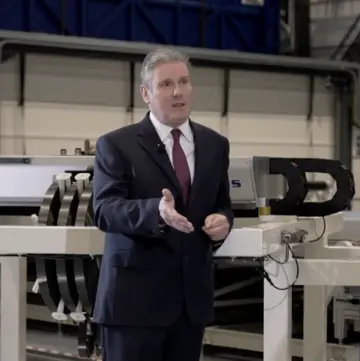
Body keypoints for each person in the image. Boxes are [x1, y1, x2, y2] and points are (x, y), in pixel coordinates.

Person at [91, 48, 234, 361]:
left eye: (184, 82)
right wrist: (155, 211)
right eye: (166, 84)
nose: (178, 92)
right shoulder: (116, 145)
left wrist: (223, 222)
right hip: (133, 305)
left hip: (190, 305)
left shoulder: (214, 145)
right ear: (146, 93)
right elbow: (104, 209)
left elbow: (222, 204)